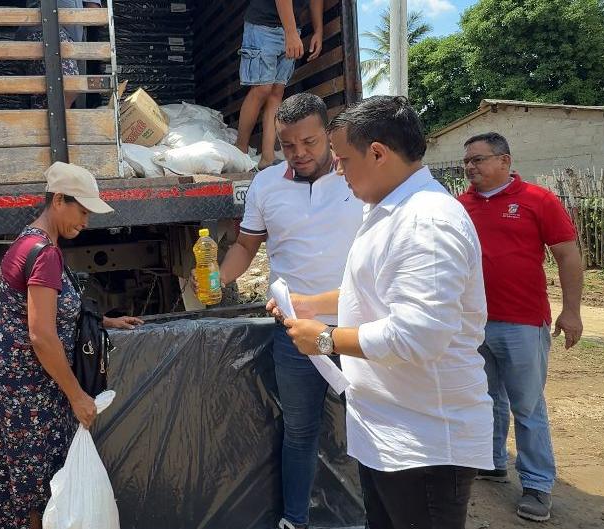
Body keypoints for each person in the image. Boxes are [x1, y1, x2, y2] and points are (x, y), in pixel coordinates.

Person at [274, 96, 493, 529]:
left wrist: (324, 339)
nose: (338, 170)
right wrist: (308, 305)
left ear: (378, 153)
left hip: (424, 443)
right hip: (390, 431)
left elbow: (417, 336)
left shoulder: (426, 223)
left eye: (343, 160)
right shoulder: (389, 211)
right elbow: (371, 292)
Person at [217, 92, 363, 529]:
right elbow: (246, 246)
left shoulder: (358, 179)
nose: (299, 153)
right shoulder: (266, 185)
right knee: (299, 431)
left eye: (310, 142)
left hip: (361, 329)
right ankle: (294, 520)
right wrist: (215, 280)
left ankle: (376, 514)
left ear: (329, 135)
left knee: (373, 426)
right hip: (295, 333)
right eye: (288, 144)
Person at [0, 162, 142, 529]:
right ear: (58, 200)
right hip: (29, 391)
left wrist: (105, 322)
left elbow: (51, 313)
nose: (86, 221)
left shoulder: (28, 240)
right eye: (82, 210)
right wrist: (77, 396)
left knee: (26, 489)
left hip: (18, 385)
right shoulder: (45, 254)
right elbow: (41, 334)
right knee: (40, 494)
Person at [456, 132, 584, 523]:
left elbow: (567, 254)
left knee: (527, 406)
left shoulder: (538, 201)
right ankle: (492, 461)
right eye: (468, 161)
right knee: (485, 399)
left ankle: (537, 484)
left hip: (524, 323)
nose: (471, 167)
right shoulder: (460, 206)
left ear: (505, 161)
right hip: (474, 324)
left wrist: (572, 311)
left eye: (478, 160)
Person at [235, 0, 324, 168]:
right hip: (262, 25)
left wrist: (318, 31)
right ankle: (240, 149)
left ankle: (267, 157)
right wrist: (290, 33)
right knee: (262, 88)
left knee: (277, 92)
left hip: (291, 29)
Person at [24, 0, 103, 108]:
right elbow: (94, 11)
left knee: (46, 96)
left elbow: (94, 11)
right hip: (45, 29)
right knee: (67, 86)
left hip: (65, 39)